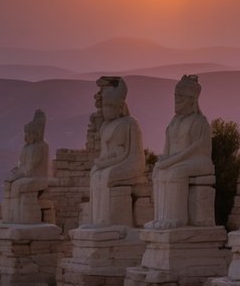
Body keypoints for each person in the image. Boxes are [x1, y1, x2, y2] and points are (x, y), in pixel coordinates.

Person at [149, 74, 213, 228]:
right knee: (159, 171)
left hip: (199, 160)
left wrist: (172, 161)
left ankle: (176, 218)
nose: (176, 100)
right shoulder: (174, 122)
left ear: (192, 99)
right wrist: (163, 160)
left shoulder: (199, 121)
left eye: (181, 97)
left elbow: (195, 150)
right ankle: (161, 217)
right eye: (175, 96)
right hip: (178, 160)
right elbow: (168, 149)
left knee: (175, 172)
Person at [88, 78, 145, 225]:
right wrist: (102, 162)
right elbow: (106, 153)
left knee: (107, 175)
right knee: (95, 174)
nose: (104, 109)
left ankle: (106, 220)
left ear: (119, 106)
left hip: (130, 163)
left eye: (108, 106)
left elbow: (129, 154)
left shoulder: (130, 123)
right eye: (104, 105)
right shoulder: (105, 126)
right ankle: (96, 218)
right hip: (113, 163)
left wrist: (107, 163)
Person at [2, 109, 49, 223]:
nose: (26, 135)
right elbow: (22, 164)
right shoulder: (26, 148)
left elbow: (32, 166)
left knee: (18, 185)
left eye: (28, 133)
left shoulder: (41, 146)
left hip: (36, 177)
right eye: (25, 133)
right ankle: (9, 218)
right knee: (7, 184)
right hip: (25, 174)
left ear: (35, 133)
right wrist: (16, 171)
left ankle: (20, 218)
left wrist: (19, 174)